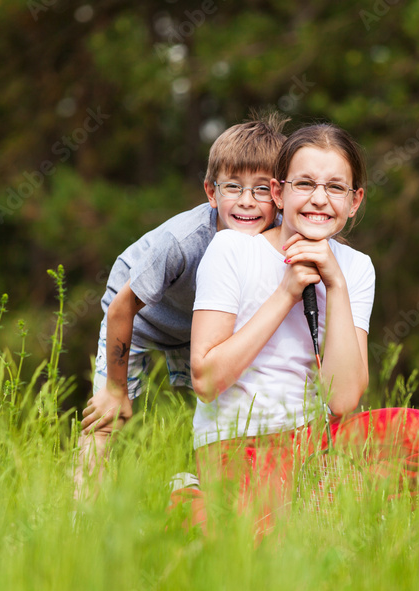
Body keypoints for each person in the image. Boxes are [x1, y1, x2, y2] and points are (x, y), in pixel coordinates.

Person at [190, 123, 419, 531]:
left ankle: (328, 509)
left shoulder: (355, 267)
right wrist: (287, 293)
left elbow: (345, 398)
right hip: (242, 445)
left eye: (335, 188)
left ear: (354, 201)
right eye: (305, 183)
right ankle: (202, 502)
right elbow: (206, 379)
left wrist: (335, 284)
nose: (319, 199)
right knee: (272, 549)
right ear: (279, 192)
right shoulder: (234, 249)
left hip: (320, 440)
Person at [73, 113, 288, 503]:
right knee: (106, 418)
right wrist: (115, 389)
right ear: (211, 192)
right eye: (233, 188)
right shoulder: (182, 241)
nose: (246, 201)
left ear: (279, 195)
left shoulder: (280, 237)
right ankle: (82, 516)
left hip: (202, 332)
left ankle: (206, 500)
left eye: (261, 189)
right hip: (141, 317)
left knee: (215, 415)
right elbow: (121, 310)